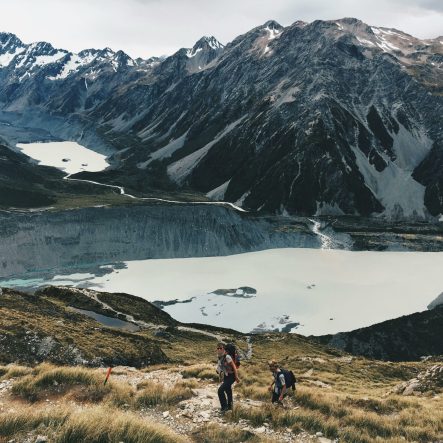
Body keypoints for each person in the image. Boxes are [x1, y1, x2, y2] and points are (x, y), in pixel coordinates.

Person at [216, 342, 240, 412]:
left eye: (221, 348)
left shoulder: (227, 357)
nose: (219, 349)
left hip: (232, 376)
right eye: (218, 348)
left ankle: (224, 407)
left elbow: (234, 367)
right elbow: (220, 367)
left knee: (220, 390)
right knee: (228, 391)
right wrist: (218, 372)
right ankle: (230, 406)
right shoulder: (219, 357)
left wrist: (236, 377)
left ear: (224, 349)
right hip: (226, 376)